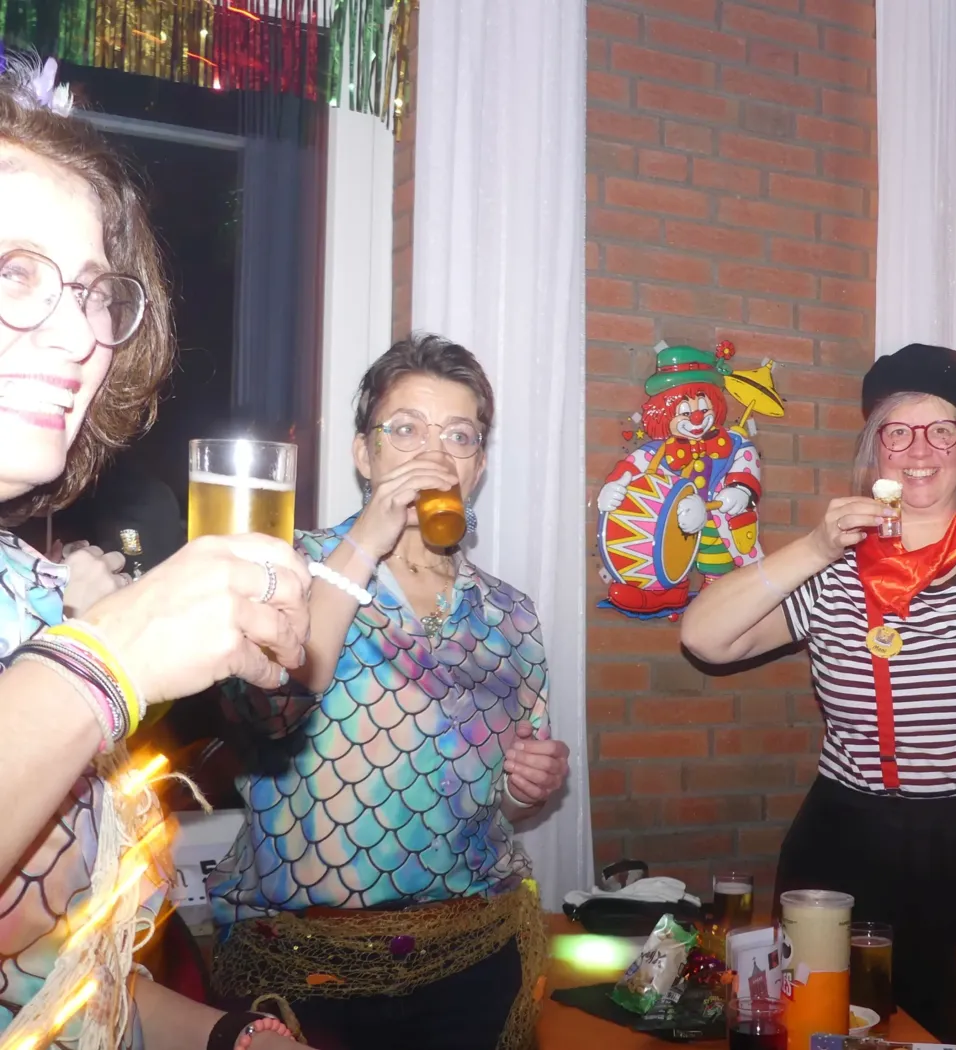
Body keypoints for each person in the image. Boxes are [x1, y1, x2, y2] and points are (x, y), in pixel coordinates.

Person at [0, 52, 313, 1050]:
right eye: (14, 271)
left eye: (94, 290)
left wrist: (226, 1037)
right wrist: (114, 650)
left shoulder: (25, 593)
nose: (77, 335)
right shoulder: (74, 637)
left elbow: (56, 994)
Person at [207, 334, 570, 1050]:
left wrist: (528, 786)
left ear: (477, 466)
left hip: (473, 960)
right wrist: (366, 544)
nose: (433, 453)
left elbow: (505, 802)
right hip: (307, 971)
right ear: (363, 454)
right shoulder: (288, 567)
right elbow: (264, 708)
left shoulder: (511, 616)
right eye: (405, 429)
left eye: (458, 435)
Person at [682, 343, 956, 1039]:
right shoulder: (835, 572)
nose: (919, 450)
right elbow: (705, 638)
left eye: (941, 430)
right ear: (875, 454)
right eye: (897, 432)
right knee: (824, 1027)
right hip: (848, 841)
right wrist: (816, 547)